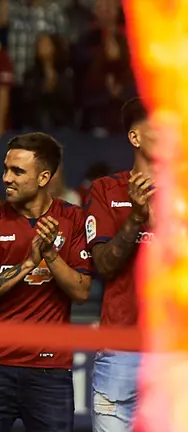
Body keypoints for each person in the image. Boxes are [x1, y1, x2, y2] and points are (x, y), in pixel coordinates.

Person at [0, 132, 92, 431]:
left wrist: (50, 254)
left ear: (43, 177)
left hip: (50, 370)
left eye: (18, 171)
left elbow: (81, 291)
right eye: (6, 169)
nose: (6, 178)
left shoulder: (73, 219)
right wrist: (27, 263)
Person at [86, 97, 154, 431]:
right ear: (135, 137)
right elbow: (104, 266)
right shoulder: (104, 190)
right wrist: (136, 219)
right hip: (120, 350)